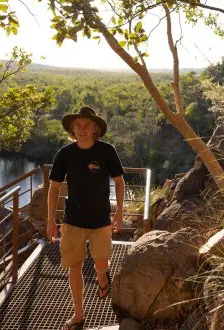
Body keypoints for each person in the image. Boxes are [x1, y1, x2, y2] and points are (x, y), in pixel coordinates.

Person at [46, 107, 125, 330]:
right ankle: (78, 314)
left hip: (101, 220)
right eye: (78, 125)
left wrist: (119, 212)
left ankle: (102, 277)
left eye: (87, 125)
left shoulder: (107, 151)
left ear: (95, 129)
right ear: (72, 129)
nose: (82, 129)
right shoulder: (65, 153)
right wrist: (51, 220)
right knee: (74, 266)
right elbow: (54, 188)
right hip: (73, 220)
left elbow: (119, 182)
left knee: (101, 264)